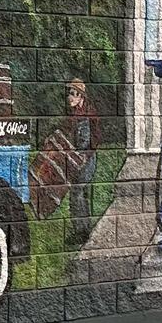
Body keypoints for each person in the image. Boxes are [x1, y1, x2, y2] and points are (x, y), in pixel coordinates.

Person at [64, 78, 100, 245]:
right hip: (80, 158)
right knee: (80, 194)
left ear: (80, 95)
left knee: (77, 193)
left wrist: (84, 154)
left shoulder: (86, 114)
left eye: (72, 94)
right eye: (69, 94)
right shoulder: (76, 113)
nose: (69, 97)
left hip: (86, 159)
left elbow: (93, 138)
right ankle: (84, 230)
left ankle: (81, 232)